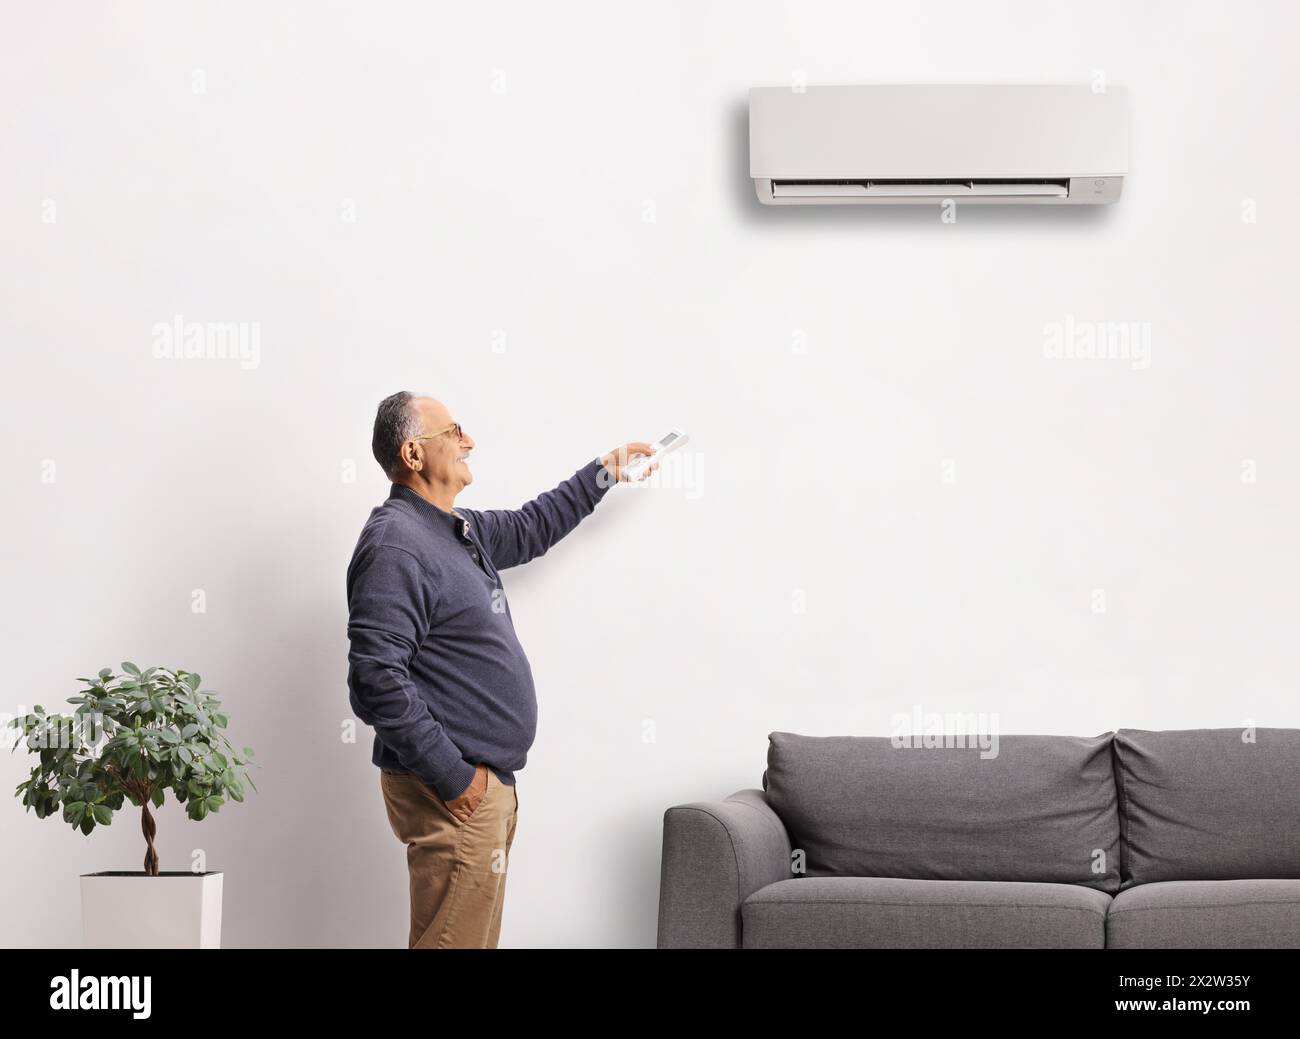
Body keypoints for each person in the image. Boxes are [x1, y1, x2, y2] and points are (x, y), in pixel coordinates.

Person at [346, 390, 656, 948]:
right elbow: (374, 680)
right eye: (454, 431)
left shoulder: (455, 530)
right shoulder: (396, 543)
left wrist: (603, 475)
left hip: (479, 792)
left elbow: (532, 526)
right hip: (452, 792)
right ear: (414, 455)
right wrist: (456, 779)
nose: (469, 440)